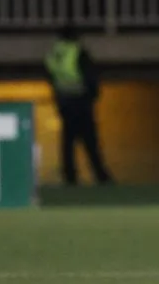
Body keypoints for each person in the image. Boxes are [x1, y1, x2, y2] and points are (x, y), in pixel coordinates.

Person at [44, 24, 113, 186]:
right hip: (81, 101)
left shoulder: (54, 54)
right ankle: (101, 175)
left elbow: (50, 76)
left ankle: (70, 176)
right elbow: (90, 76)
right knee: (90, 140)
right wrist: (93, 95)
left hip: (64, 101)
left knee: (68, 140)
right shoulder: (78, 52)